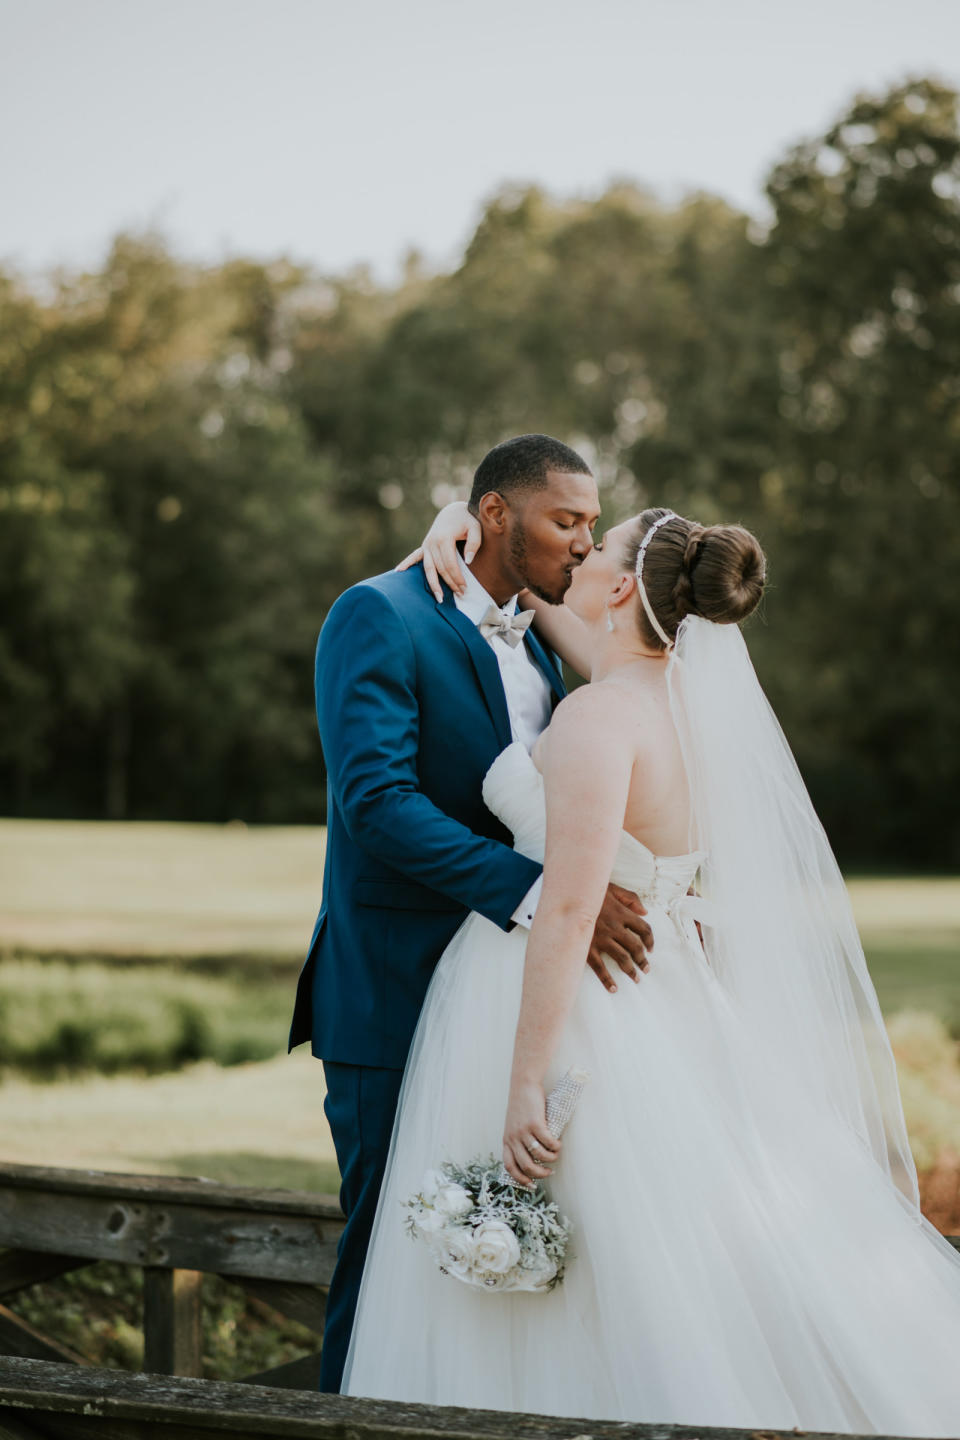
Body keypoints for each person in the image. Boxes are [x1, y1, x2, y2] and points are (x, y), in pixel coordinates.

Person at [341, 501, 960, 1435]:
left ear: (625, 586)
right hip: (662, 997)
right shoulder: (680, 704)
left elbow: (567, 912)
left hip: (570, 1006)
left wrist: (523, 1087)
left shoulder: (596, 719)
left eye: (601, 545)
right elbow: (550, 613)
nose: (581, 554)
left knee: (588, 1265)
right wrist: (455, 543)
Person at [287, 435, 654, 1394]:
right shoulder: (379, 613)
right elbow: (376, 802)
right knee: (382, 1266)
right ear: (494, 513)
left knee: (496, 1274)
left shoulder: (541, 634)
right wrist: (543, 896)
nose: (582, 541)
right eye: (563, 520)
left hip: (512, 1001)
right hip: (394, 989)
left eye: (589, 524)